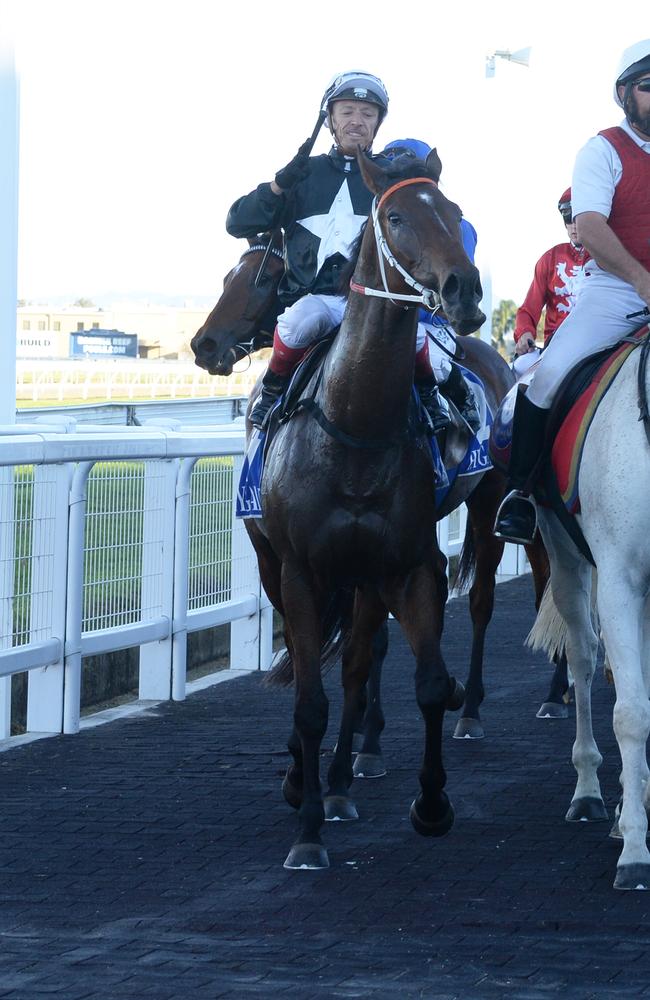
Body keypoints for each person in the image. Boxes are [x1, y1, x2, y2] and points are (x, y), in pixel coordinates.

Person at [494, 39, 650, 544]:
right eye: (649, 88)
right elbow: (591, 225)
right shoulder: (602, 149)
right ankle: (521, 493)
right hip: (618, 290)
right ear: (624, 93)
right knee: (546, 378)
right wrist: (641, 278)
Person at [225, 71, 391, 427]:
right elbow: (237, 222)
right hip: (316, 301)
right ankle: (272, 389)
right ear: (330, 120)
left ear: (378, 122)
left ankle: (438, 406)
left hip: (375, 306)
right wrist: (277, 186)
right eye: (347, 111)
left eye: (367, 113)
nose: (357, 122)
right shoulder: (303, 175)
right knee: (302, 319)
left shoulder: (391, 181)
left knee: (425, 343)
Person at [381, 138, 481, 433]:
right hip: (384, 322)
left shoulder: (460, 227)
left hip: (430, 324)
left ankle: (461, 402)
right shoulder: (381, 223)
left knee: (431, 359)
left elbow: (455, 290)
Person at [513, 189, 590, 369]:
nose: (574, 225)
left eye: (578, 218)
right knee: (520, 366)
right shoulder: (550, 258)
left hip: (597, 344)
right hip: (555, 346)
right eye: (568, 219)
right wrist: (525, 332)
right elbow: (528, 309)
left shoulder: (609, 254)